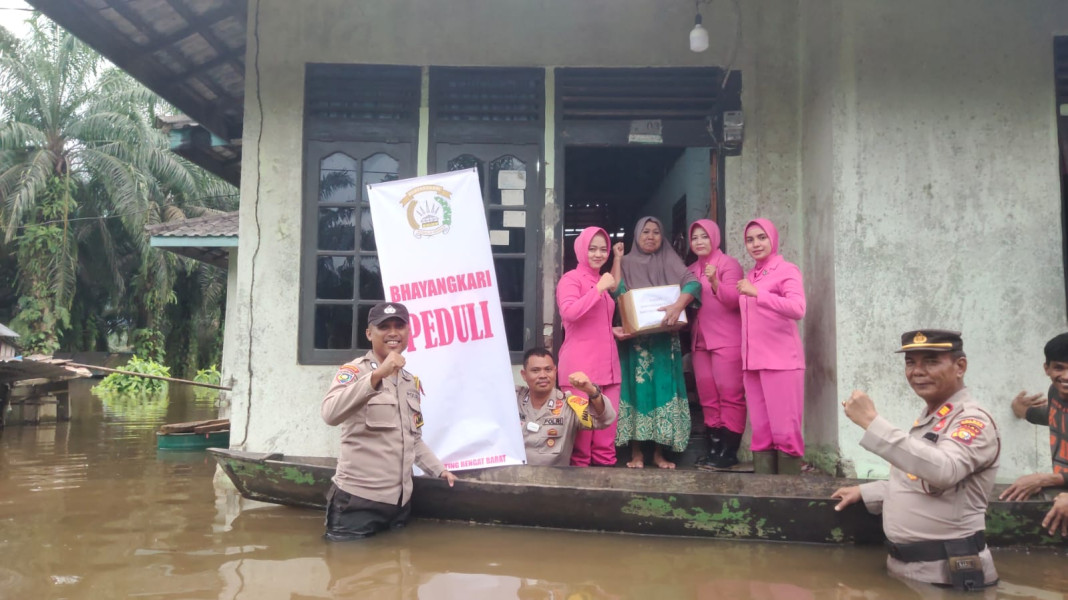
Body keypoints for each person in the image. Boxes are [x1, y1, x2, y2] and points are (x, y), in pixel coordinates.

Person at [832, 330, 1000, 591]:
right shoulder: (931, 418)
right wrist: (869, 491)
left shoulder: (972, 421)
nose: (918, 371)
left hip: (948, 577)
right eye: (911, 362)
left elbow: (944, 470)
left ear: (960, 367)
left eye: (931, 361)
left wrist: (871, 422)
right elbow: (917, 479)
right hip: (911, 574)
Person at [320, 302, 456, 541]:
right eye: (384, 327)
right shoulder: (355, 372)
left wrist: (439, 471)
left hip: (400, 505)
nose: (393, 332)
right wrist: (377, 375)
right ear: (369, 333)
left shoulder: (409, 382)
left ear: (408, 332)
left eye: (399, 326)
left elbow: (412, 440)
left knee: (395, 573)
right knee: (348, 573)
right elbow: (330, 413)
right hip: (357, 503)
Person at [612, 216, 701, 469]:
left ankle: (660, 454)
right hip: (635, 342)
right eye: (645, 232)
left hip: (664, 340)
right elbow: (616, 290)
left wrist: (678, 304)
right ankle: (637, 453)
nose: (650, 236)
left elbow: (693, 283)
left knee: (664, 391)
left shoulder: (669, 259)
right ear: (636, 235)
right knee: (636, 392)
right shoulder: (626, 262)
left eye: (656, 232)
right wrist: (617, 259)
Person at [737, 218, 806, 474]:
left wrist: (758, 294)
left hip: (782, 362)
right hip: (753, 363)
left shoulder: (787, 270)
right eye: (750, 239)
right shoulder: (751, 274)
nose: (756, 244)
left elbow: (798, 308)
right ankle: (764, 492)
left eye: (761, 237)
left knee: (785, 432)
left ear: (773, 239)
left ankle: (788, 496)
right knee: (762, 432)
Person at [557, 226, 621, 467]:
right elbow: (570, 313)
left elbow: (594, 322)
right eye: (592, 248)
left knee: (607, 438)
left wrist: (613, 330)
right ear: (581, 250)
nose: (598, 254)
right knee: (581, 443)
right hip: (579, 370)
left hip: (609, 368)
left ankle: (608, 494)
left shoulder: (599, 281)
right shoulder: (571, 279)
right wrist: (599, 288)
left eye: (603, 249)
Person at [686, 219, 745, 469]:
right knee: (708, 397)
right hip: (700, 340)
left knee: (730, 395)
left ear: (714, 238)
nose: (699, 241)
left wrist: (715, 283)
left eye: (704, 237)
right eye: (695, 237)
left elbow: (734, 300)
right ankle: (713, 449)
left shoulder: (728, 264)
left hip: (726, 339)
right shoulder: (689, 269)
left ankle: (728, 452)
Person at [516, 348, 616, 466]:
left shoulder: (569, 405)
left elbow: (605, 420)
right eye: (535, 370)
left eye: (548, 370)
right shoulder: (513, 400)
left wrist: (592, 391)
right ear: (524, 375)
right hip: (513, 477)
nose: (543, 375)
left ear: (555, 371)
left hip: (553, 480)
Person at [998, 332, 1068, 501]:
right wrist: (1022, 410)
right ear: (1047, 369)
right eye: (1059, 368)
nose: (1066, 377)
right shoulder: (1055, 392)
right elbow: (1053, 417)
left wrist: (1044, 479)